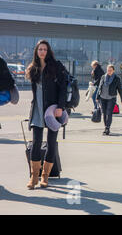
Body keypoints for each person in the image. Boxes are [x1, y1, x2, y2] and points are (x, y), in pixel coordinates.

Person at [25, 40, 67, 189]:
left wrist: (61, 107)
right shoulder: (33, 69)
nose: (42, 51)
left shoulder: (56, 66)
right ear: (36, 52)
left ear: (48, 51)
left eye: (44, 49)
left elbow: (63, 88)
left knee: (51, 143)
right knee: (36, 143)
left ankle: (45, 176)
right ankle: (34, 177)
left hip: (52, 111)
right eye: (40, 49)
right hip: (37, 111)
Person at [96, 64, 122, 136]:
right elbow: (99, 87)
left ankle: (108, 128)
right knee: (104, 113)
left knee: (109, 113)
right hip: (102, 98)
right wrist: (97, 96)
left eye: (110, 70)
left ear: (113, 70)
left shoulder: (116, 78)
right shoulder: (103, 77)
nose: (109, 72)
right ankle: (106, 127)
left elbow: (120, 90)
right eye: (108, 70)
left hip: (111, 98)